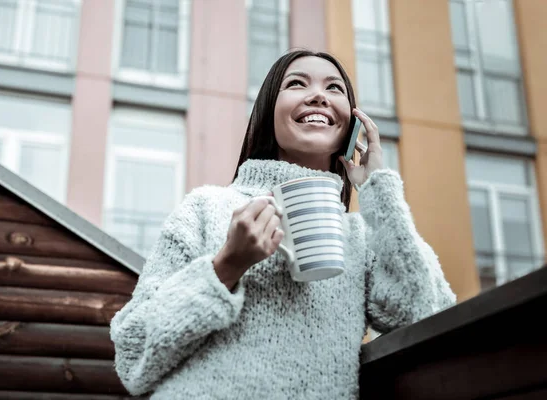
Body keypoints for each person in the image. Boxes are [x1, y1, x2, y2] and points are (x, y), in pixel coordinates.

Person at [110, 50, 456, 399]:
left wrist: (378, 189)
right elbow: (132, 353)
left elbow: (425, 317)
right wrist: (226, 266)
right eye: (296, 83)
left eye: (334, 88)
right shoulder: (206, 208)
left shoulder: (362, 237)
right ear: (267, 113)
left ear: (350, 128)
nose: (319, 95)